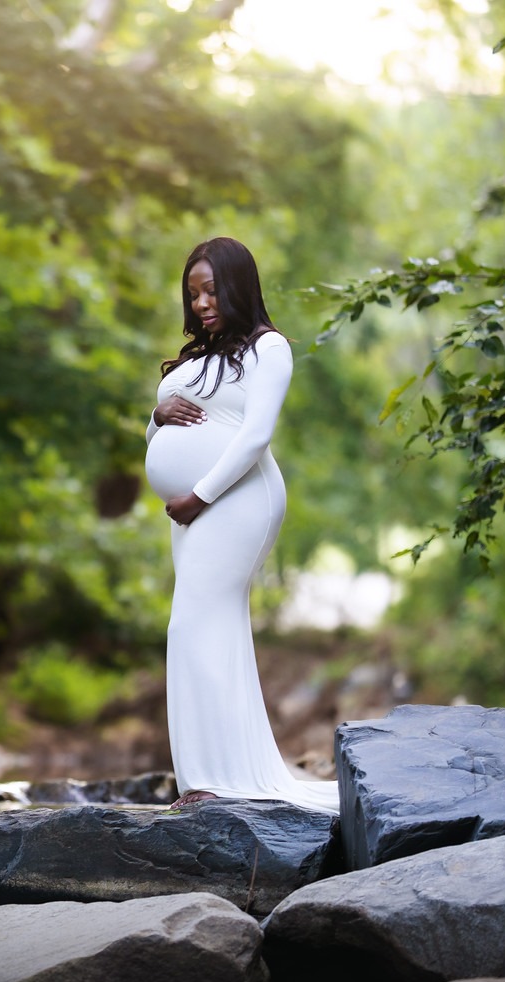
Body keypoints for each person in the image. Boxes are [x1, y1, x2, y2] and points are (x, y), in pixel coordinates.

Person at [143, 237, 339, 814]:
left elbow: (255, 436)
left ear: (238, 287)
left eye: (211, 290)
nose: (202, 303)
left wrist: (200, 495)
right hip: (194, 509)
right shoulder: (194, 360)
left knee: (190, 625)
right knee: (208, 626)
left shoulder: (268, 348)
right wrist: (155, 420)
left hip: (237, 501)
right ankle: (216, 777)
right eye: (193, 293)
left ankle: (207, 781)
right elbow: (159, 439)